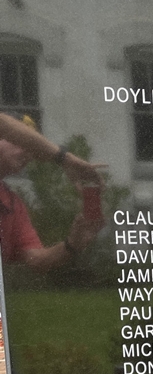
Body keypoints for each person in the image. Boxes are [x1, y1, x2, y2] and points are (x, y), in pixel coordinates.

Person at [0, 113, 105, 269]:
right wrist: (64, 157)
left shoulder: (13, 205)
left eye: (31, 150)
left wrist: (71, 245)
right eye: (18, 142)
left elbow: (36, 260)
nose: (26, 154)